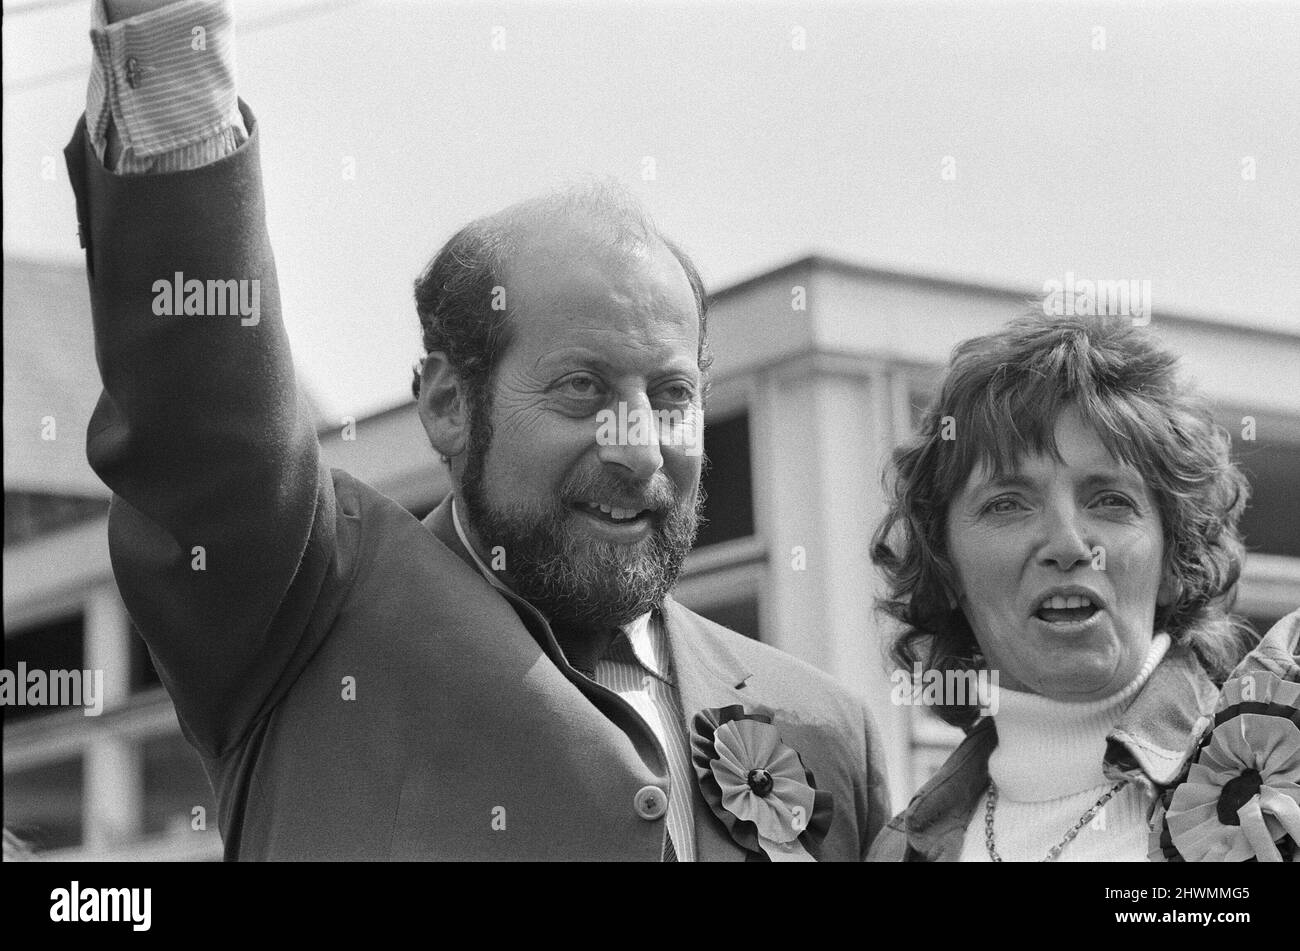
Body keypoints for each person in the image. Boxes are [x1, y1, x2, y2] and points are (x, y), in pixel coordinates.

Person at [65, 0, 888, 860]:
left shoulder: (829, 732)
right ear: (448, 405)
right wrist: (171, 33)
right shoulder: (298, 613)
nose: (640, 446)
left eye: (673, 394)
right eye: (582, 388)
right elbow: (204, 410)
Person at [866, 311, 1299, 861]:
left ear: (1173, 562)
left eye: (1109, 499)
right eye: (1007, 504)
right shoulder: (896, 850)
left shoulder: (1285, 792)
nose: (1068, 544)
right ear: (945, 569)